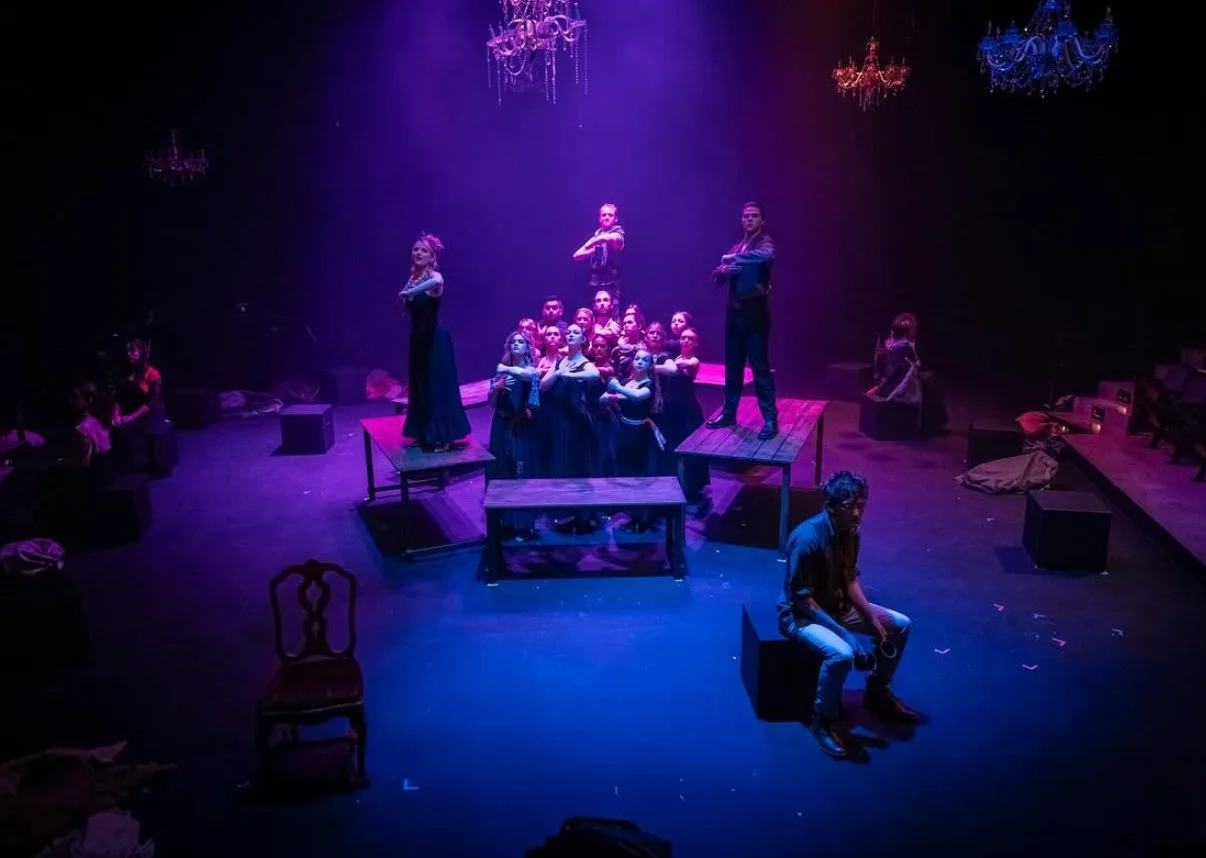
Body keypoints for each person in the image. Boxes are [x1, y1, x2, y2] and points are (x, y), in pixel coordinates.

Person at [778, 471, 920, 758]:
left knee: (901, 625)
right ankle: (822, 719)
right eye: (850, 506)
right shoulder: (808, 539)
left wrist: (870, 618)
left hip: (837, 607)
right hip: (801, 617)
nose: (858, 514)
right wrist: (846, 636)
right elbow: (802, 601)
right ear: (831, 506)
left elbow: (850, 580)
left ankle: (877, 692)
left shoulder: (851, 533)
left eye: (862, 505)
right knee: (842, 654)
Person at [707, 202, 778, 440]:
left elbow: (767, 255)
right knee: (733, 366)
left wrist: (734, 258)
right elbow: (716, 276)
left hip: (755, 314)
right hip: (734, 313)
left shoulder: (763, 242)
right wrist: (724, 272)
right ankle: (729, 413)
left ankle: (770, 420)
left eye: (754, 216)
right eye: (746, 216)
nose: (749, 219)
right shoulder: (738, 245)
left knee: (759, 368)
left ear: (762, 220)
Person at [398, 232, 471, 451]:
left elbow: (437, 281)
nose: (418, 253)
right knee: (420, 385)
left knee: (437, 386)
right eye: (416, 249)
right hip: (418, 339)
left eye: (424, 251)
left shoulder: (433, 279)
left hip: (435, 339)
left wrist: (409, 292)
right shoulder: (414, 277)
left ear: (432, 257)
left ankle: (445, 436)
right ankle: (423, 431)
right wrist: (407, 295)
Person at [489, 331, 541, 541]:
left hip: (519, 427)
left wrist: (507, 369)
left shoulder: (527, 370)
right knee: (501, 471)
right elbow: (491, 403)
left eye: (521, 342)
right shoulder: (502, 373)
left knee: (520, 471)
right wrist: (497, 389)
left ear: (527, 347)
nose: (516, 344)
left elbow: (530, 376)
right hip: (500, 425)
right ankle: (506, 521)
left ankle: (524, 523)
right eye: (513, 342)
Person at [572, 203, 625, 312]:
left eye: (610, 215)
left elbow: (609, 239)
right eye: (604, 215)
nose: (606, 217)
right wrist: (592, 250)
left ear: (615, 219)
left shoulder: (618, 232)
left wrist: (590, 243)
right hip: (596, 283)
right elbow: (576, 255)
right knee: (594, 316)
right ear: (599, 218)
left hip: (612, 285)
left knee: (613, 315)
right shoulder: (596, 235)